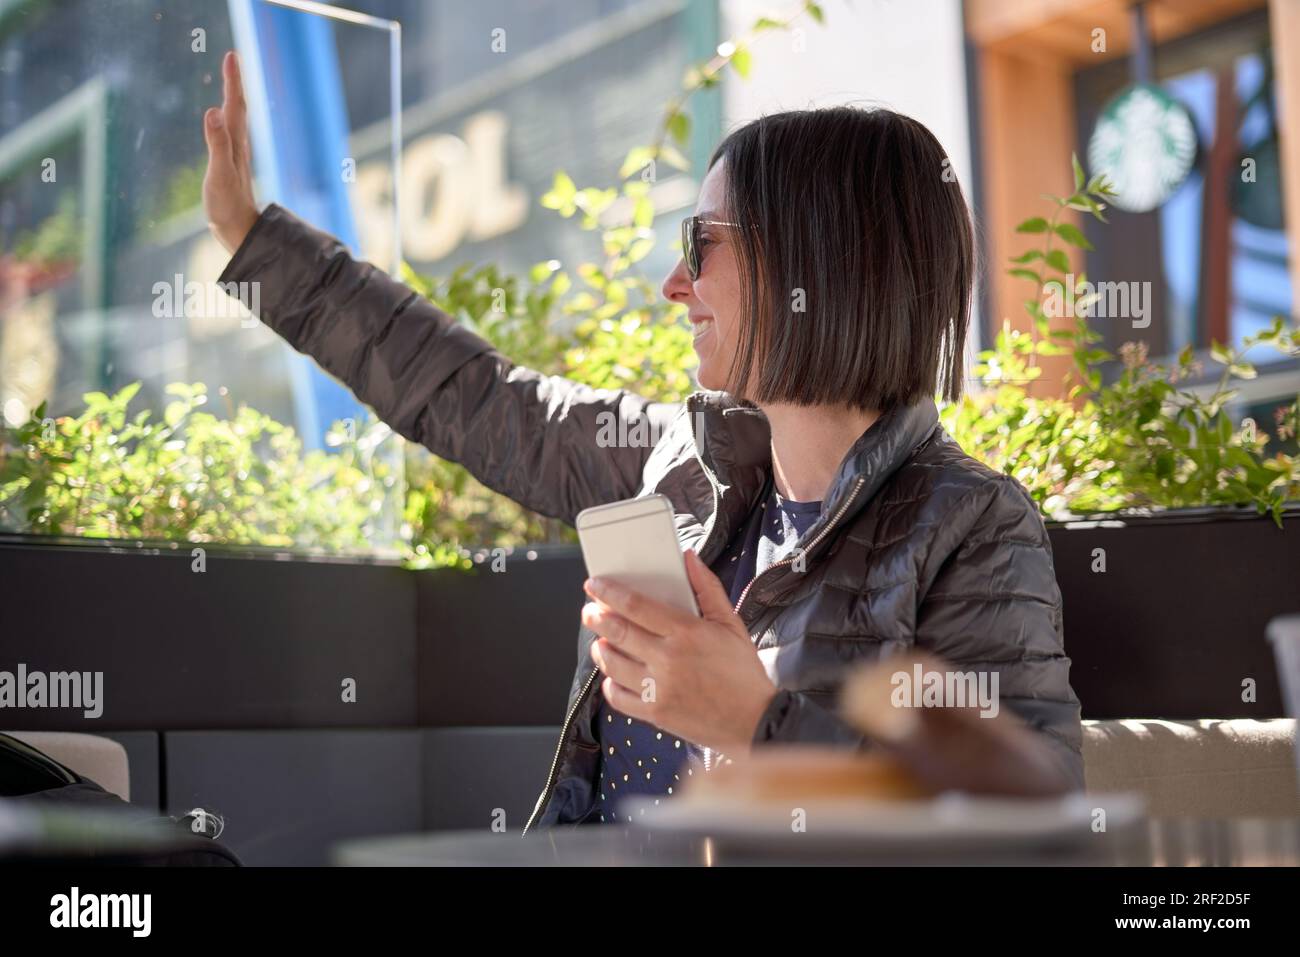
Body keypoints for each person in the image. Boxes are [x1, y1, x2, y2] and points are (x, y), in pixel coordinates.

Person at [201, 51, 1083, 833]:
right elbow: (468, 395)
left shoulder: (972, 527)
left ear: (816, 262)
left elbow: (1026, 833)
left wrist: (756, 724)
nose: (674, 283)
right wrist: (255, 240)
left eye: (701, 244)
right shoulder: (673, 463)